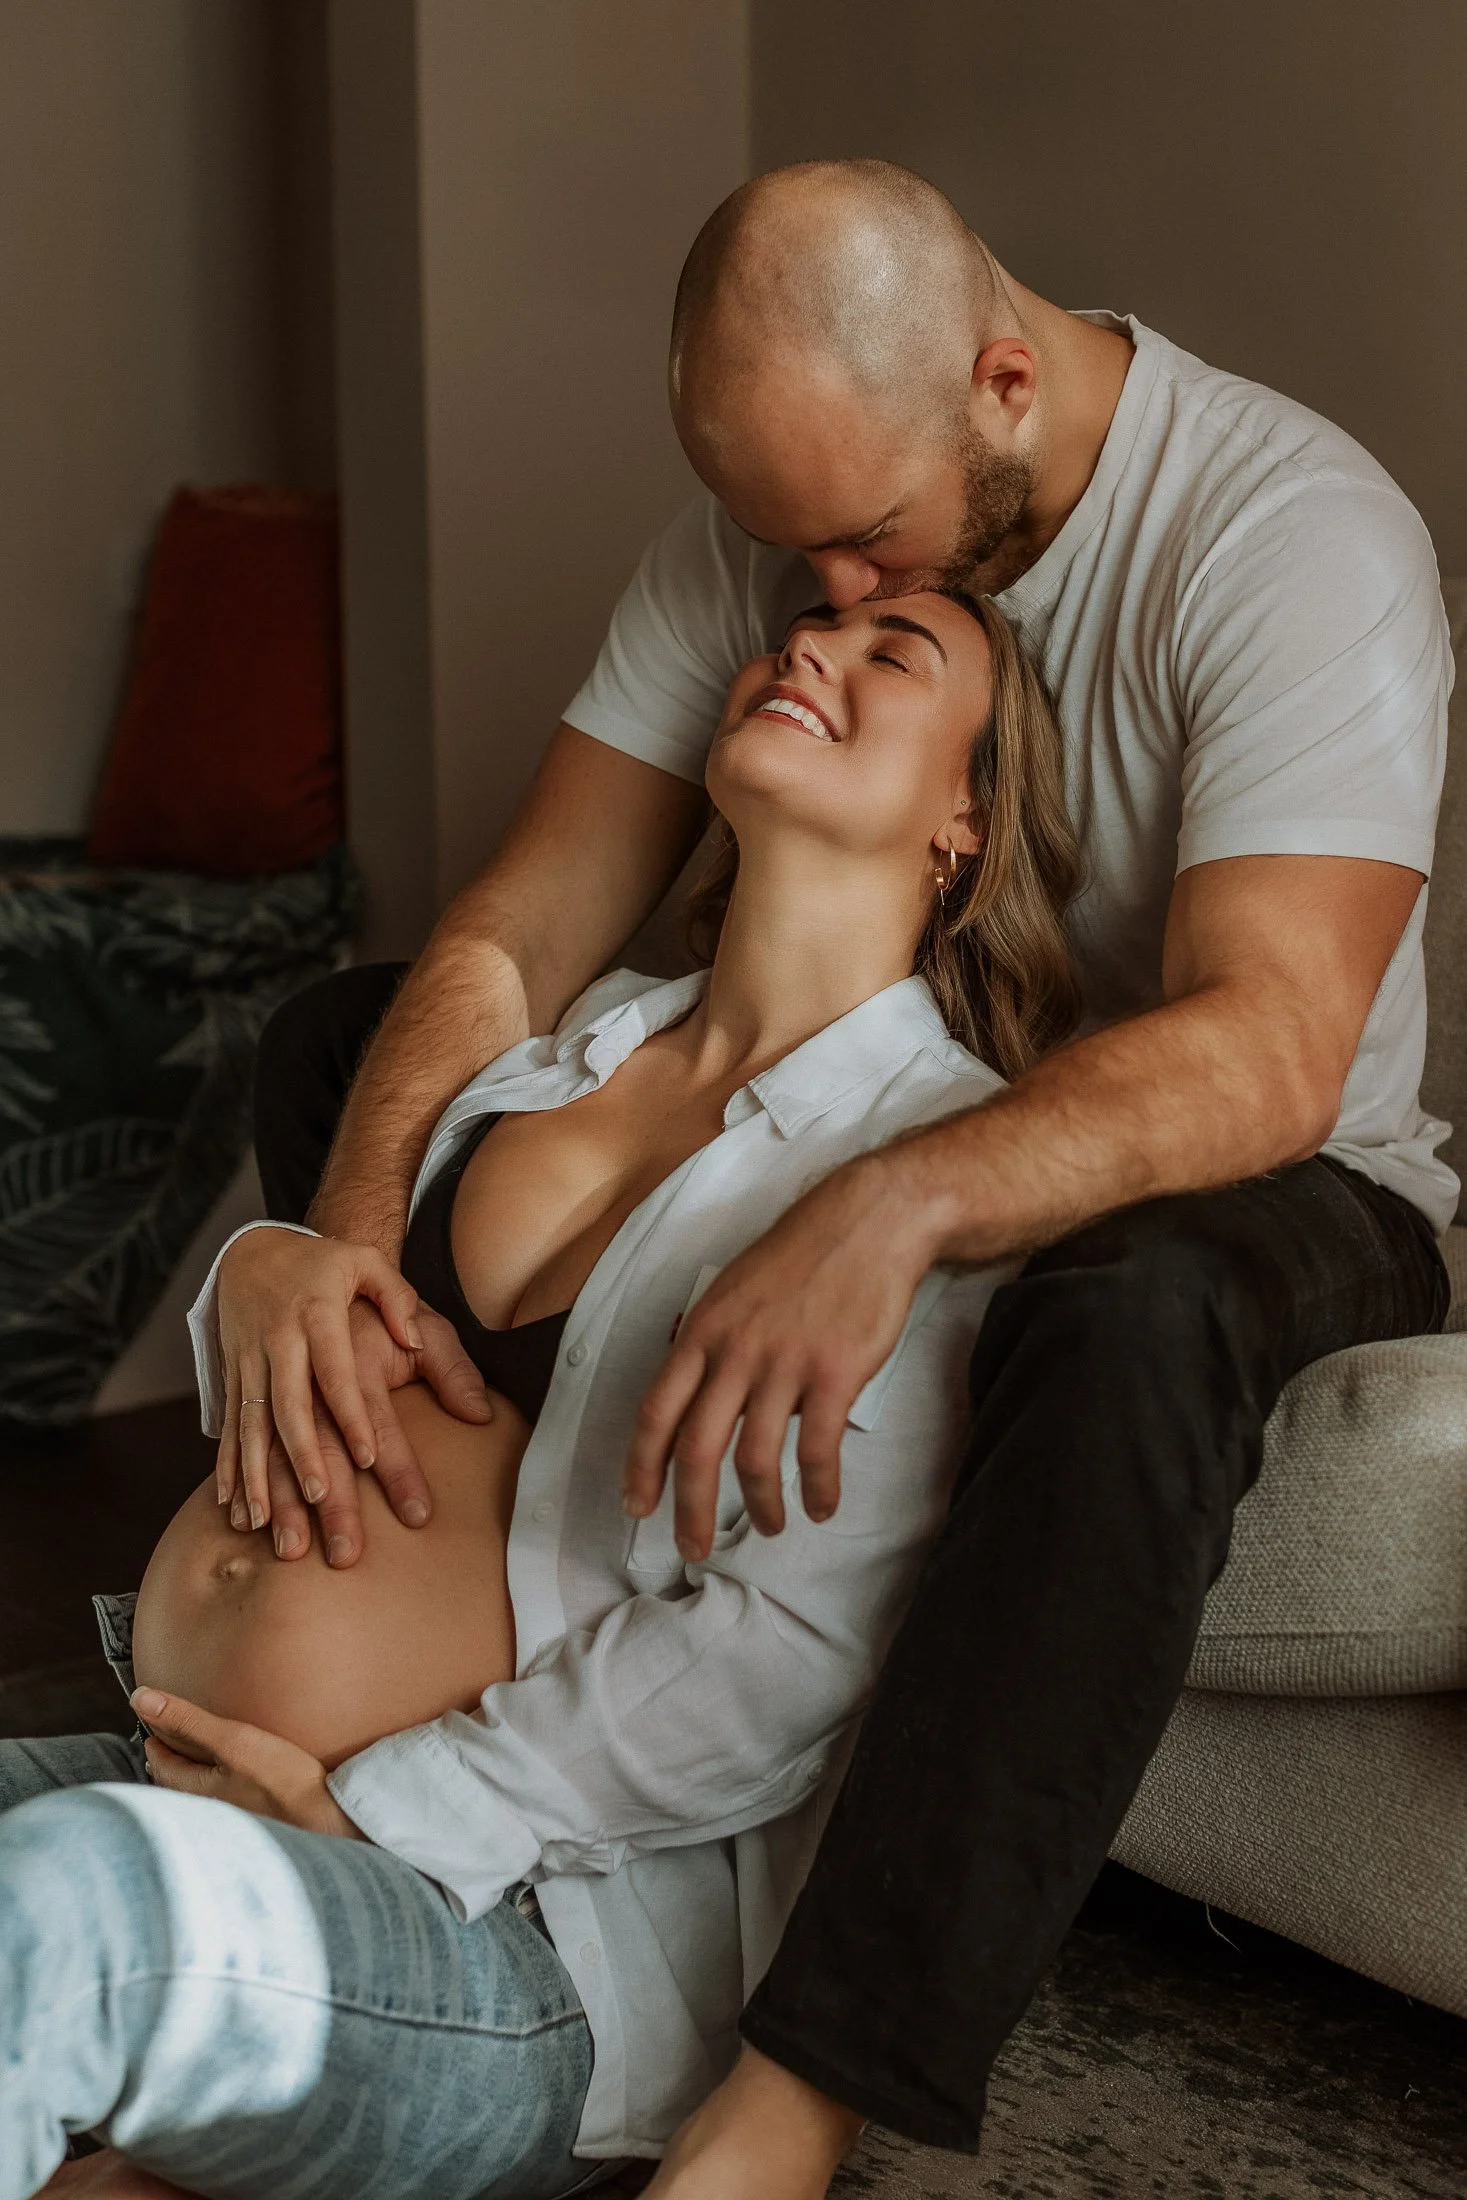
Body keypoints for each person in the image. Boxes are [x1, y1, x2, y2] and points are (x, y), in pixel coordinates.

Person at [205, 161, 1451, 2198]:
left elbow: (1271, 1039)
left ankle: (800, 2092)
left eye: (862, 543)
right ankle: (427, 1671)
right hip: (895, 1076)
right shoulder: (795, 522)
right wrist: (329, 1241)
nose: (823, 594)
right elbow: (518, 920)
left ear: (998, 376)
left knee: (1118, 1305)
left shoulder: (1289, 534)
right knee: (353, 1053)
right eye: (788, 556)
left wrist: (876, 1204)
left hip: (1271, 1164)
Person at [3, 592, 1074, 2199]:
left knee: (68, 1904)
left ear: (965, 819)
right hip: (204, 1758)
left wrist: (377, 1809)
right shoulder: (561, 1057)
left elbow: (779, 1650)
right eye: (802, 631)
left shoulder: (931, 1170)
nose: (807, 653)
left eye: (888, 659)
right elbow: (332, 1387)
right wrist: (264, 1268)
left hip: (503, 1925)